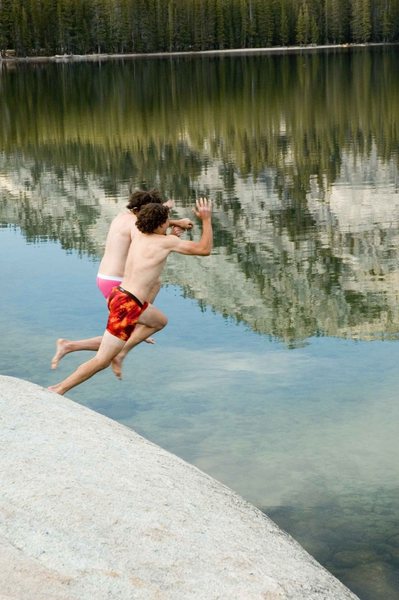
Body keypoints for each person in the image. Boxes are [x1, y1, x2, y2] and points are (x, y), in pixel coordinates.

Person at [48, 197, 212, 396]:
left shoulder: (139, 233)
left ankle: (122, 351)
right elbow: (204, 250)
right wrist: (206, 219)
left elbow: (155, 235)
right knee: (102, 360)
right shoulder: (167, 242)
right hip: (127, 305)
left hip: (121, 295)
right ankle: (59, 389)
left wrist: (171, 225)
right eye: (166, 221)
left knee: (159, 321)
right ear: (161, 224)